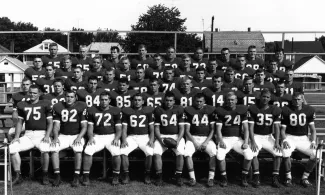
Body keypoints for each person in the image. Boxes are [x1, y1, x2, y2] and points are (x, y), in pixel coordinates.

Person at [9, 85, 53, 185]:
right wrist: (16, 137)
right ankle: (18, 175)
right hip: (28, 135)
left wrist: (47, 136)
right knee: (12, 148)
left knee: (45, 149)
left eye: (34, 93)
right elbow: (20, 123)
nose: (32, 94)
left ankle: (45, 174)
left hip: (42, 134)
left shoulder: (45, 103)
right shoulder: (23, 104)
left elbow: (50, 123)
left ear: (39, 94)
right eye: (31, 92)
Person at [83, 91, 122, 186]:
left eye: (106, 100)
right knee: (88, 151)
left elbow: (119, 129)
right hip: (97, 136)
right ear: (99, 100)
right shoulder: (93, 110)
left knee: (116, 153)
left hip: (111, 136)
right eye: (102, 100)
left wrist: (116, 138)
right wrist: (91, 137)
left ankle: (116, 175)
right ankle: (86, 176)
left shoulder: (115, 110)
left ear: (109, 101)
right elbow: (90, 127)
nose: (104, 102)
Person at [215, 92, 253, 187]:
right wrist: (221, 141)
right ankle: (224, 178)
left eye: (232, 100)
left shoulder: (241, 111)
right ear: (225, 101)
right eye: (228, 100)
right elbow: (218, 129)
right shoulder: (221, 111)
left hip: (237, 139)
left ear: (236, 101)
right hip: (225, 138)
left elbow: (246, 129)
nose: (230, 101)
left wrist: (245, 141)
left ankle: (244, 178)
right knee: (220, 155)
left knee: (249, 155)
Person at [51, 90, 87, 187]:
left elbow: (84, 126)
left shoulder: (81, 107)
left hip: (76, 135)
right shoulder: (59, 107)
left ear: (75, 98)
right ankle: (57, 176)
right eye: (67, 96)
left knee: (78, 150)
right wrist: (55, 137)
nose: (69, 98)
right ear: (64, 97)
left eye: (71, 97)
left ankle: (76, 176)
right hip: (63, 135)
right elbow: (56, 126)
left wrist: (79, 137)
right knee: (54, 148)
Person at [281, 92, 317, 188]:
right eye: (294, 99)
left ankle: (304, 177)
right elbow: (282, 129)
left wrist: (313, 141)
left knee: (315, 154)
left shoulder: (309, 110)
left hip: (303, 138)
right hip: (290, 137)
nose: (296, 101)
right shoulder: (286, 110)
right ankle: (288, 177)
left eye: (298, 99)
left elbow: (313, 129)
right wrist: (284, 140)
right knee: (285, 152)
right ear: (292, 100)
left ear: (302, 99)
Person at [248, 89, 282, 188]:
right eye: (264, 96)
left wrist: (277, 141)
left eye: (267, 97)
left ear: (270, 98)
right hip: (256, 135)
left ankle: (275, 177)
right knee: (253, 152)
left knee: (278, 153)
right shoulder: (253, 108)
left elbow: (277, 127)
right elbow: (250, 127)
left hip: (268, 136)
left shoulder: (275, 109)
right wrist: (253, 141)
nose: (265, 99)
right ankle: (256, 176)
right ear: (260, 97)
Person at [120, 93, 155, 184]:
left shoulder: (148, 112)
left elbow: (151, 129)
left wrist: (151, 139)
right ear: (132, 101)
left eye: (139, 100)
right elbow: (124, 129)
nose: (137, 102)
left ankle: (147, 174)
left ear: (143, 101)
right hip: (131, 137)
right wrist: (124, 140)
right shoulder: (127, 112)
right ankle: (126, 175)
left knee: (150, 152)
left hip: (144, 136)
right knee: (123, 151)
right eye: (135, 100)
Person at [183, 93, 217, 187]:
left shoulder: (210, 111)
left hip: (206, 138)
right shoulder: (189, 110)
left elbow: (213, 129)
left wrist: (206, 142)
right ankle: (192, 178)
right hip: (193, 137)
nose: (198, 103)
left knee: (214, 152)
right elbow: (186, 131)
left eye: (201, 101)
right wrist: (195, 142)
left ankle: (211, 178)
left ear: (204, 102)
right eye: (197, 101)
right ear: (194, 101)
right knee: (187, 153)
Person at [153, 92, 185, 186]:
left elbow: (182, 128)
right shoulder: (159, 110)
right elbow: (156, 128)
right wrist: (160, 140)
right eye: (167, 100)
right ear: (164, 100)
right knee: (156, 152)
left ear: (174, 101)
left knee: (180, 153)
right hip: (162, 136)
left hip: (176, 136)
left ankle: (178, 176)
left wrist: (178, 140)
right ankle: (159, 176)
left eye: (171, 100)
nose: (168, 102)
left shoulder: (179, 109)